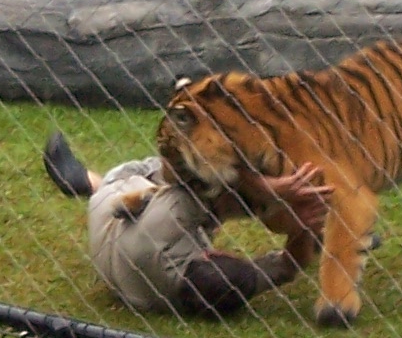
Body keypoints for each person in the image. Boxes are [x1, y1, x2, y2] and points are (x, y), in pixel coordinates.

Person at [43, 130, 329, 319]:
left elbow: (189, 170)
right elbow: (288, 266)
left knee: (157, 179)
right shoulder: (182, 298)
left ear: (207, 255)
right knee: (204, 195)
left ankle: (85, 181)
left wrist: (272, 189)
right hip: (123, 273)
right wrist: (306, 227)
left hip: (110, 208)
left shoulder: (173, 215)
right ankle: (335, 236)